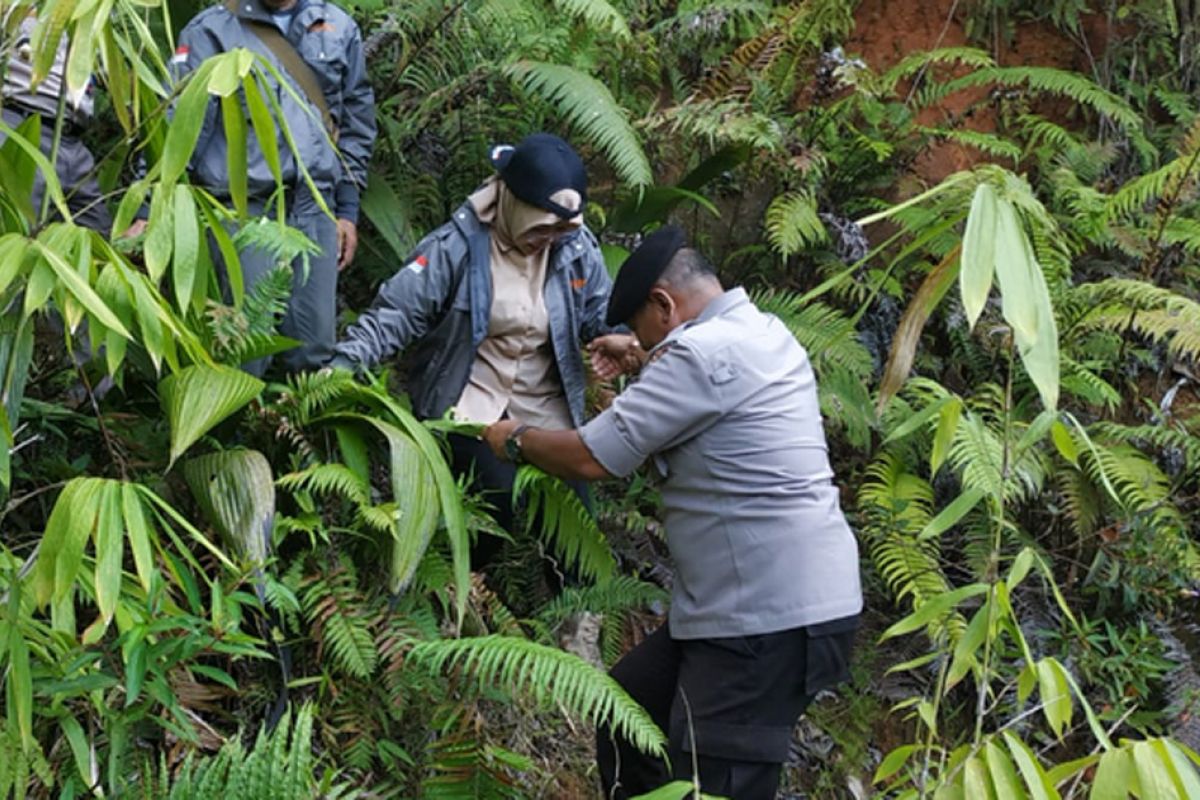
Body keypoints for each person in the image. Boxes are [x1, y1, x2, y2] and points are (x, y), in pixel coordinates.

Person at [482, 225, 863, 800]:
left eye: (643, 330)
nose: (647, 349)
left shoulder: (697, 356)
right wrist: (640, 353)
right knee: (629, 710)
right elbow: (709, 382)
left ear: (663, 304)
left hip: (762, 622)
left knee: (714, 783)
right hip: (791, 603)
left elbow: (591, 456)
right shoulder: (763, 331)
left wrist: (514, 439)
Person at [328, 132, 634, 561]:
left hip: (545, 406)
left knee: (577, 525)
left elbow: (598, 312)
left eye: (559, 230)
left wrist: (621, 338)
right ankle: (473, 597)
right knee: (497, 501)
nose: (548, 239)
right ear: (511, 201)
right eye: (541, 228)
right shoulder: (455, 248)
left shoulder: (574, 249)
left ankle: (574, 614)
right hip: (468, 404)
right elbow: (394, 316)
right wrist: (336, 371)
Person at [160, 0, 377, 373]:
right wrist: (152, 208)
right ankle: (227, 429)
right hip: (244, 208)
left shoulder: (338, 26)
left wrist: (346, 209)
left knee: (312, 350)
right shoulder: (210, 30)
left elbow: (355, 122)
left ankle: (288, 429)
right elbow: (178, 128)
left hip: (316, 208)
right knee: (243, 348)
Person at [2, 9, 112, 233]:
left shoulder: (85, 12)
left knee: (95, 236)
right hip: (26, 126)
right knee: (19, 229)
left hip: (73, 138)